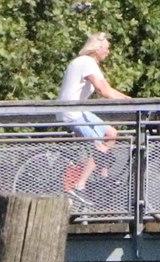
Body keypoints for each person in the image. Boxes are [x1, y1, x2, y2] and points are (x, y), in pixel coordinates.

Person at [59, 33, 131, 197]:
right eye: (106, 48)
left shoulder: (86, 62)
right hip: (72, 112)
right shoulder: (86, 62)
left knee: (110, 133)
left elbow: (108, 88)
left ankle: (102, 177)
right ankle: (80, 184)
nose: (108, 52)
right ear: (97, 48)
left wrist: (129, 100)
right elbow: (103, 90)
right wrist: (131, 103)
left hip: (79, 110)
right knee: (100, 147)